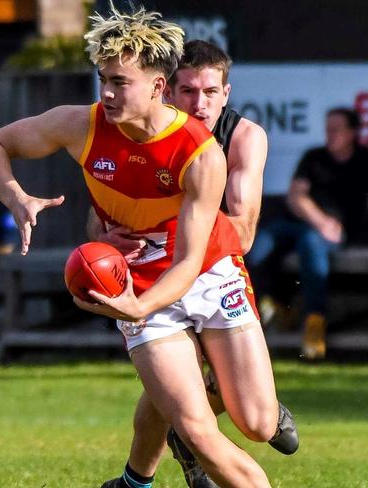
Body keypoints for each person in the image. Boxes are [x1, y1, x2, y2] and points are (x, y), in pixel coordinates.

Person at [0, 6, 279, 487]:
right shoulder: (81, 124)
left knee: (259, 424)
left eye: (121, 82)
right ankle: (157, 457)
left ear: (158, 87)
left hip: (208, 268)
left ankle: (147, 464)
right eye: (103, 79)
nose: (108, 93)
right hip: (137, 277)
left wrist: (138, 307)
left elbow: (187, 263)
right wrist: (17, 198)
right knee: (198, 432)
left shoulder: (200, 153)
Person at [91, 40, 298, 488]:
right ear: (166, 91)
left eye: (209, 92)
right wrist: (108, 239)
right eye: (188, 91)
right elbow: (100, 218)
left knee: (246, 420)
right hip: (154, 276)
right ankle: (140, 477)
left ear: (226, 93)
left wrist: (178, 226)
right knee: (171, 391)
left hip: (214, 270)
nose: (198, 103)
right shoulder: (140, 128)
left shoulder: (242, 137)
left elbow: (241, 234)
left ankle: (161, 457)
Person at [249, 107, 368, 361]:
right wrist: (321, 221)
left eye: (337, 128)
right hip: (299, 224)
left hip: (331, 234)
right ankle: (260, 318)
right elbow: (296, 195)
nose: (330, 134)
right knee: (257, 248)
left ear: (353, 132)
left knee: (311, 247)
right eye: (328, 128)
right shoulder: (314, 157)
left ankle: (314, 330)